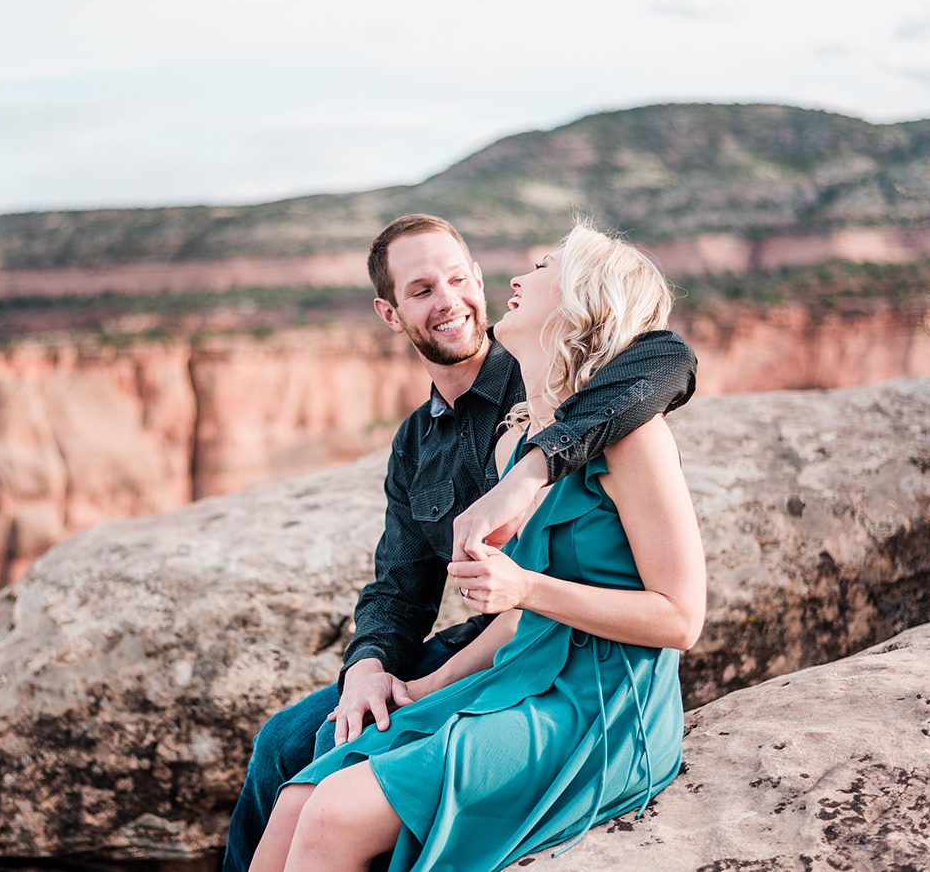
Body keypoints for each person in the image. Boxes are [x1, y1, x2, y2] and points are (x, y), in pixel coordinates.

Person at [222, 215, 697, 871]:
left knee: (323, 785)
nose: (449, 298)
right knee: (289, 749)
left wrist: (535, 467)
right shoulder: (433, 437)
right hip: (514, 641)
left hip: (549, 656)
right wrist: (368, 668)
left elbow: (666, 357)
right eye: (421, 290)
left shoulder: (571, 394)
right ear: (390, 314)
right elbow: (400, 585)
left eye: (456, 277)